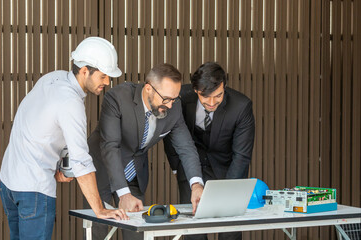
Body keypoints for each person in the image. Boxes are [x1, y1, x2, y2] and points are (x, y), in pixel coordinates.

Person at [0, 37, 128, 240]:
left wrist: (59, 164)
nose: (107, 82)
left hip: (9, 181)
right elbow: (82, 161)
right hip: (34, 188)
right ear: (85, 70)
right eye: (103, 76)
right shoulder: (70, 102)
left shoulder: (53, 78)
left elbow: (40, 126)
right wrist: (100, 210)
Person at [87, 63, 204, 240]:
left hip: (133, 172)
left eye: (174, 98)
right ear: (148, 88)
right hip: (101, 169)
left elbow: (186, 147)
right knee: (98, 231)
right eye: (166, 99)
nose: (170, 105)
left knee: (137, 231)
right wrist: (123, 193)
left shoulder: (173, 107)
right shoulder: (118, 97)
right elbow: (110, 146)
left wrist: (196, 185)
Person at [164, 62, 255, 240]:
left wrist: (229, 190)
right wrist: (177, 168)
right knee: (192, 230)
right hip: (191, 169)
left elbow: (242, 156)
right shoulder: (181, 97)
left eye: (218, 96)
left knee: (230, 229)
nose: (212, 103)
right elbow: (169, 134)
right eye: (206, 97)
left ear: (224, 87)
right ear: (196, 90)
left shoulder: (241, 106)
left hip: (226, 169)